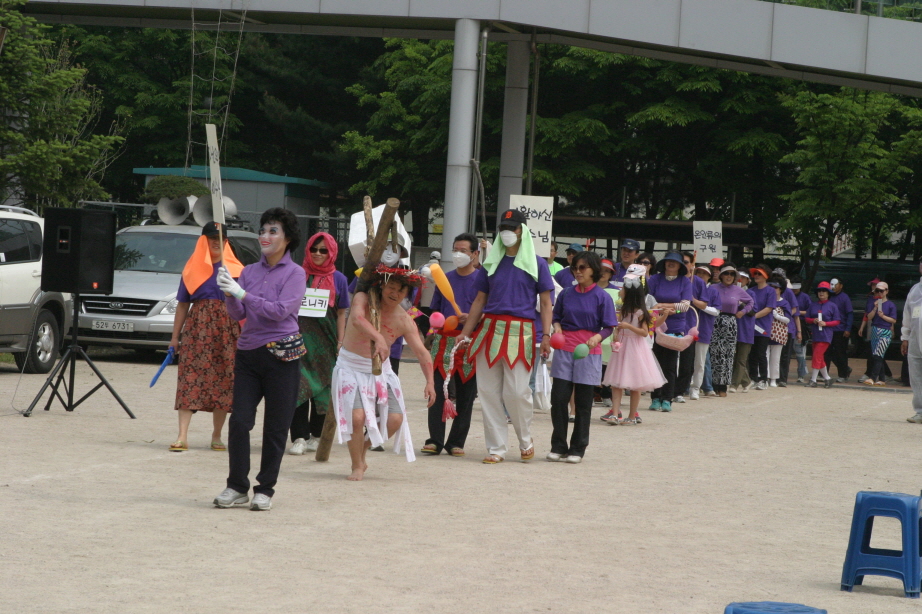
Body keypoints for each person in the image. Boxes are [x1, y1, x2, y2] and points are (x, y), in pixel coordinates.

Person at [213, 208, 307, 511]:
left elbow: (280, 311)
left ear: (287, 238)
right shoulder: (249, 271)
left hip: (282, 355)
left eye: (273, 231)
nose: (265, 236)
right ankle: (236, 486)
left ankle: (265, 488)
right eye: (263, 230)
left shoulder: (296, 273)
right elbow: (238, 314)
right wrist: (229, 293)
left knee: (276, 427)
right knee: (239, 421)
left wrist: (242, 294)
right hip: (249, 354)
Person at [459, 209, 553, 464]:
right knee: (488, 392)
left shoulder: (537, 263)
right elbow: (479, 300)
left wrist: (546, 335)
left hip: (521, 332)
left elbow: (546, 303)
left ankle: (525, 439)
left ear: (523, 231)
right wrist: (465, 334)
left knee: (518, 392)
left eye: (512, 228)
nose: (507, 232)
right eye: (503, 228)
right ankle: (496, 448)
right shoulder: (491, 262)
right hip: (489, 329)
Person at [332, 266, 435, 480]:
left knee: (395, 419)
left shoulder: (404, 319)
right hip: (351, 366)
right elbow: (357, 319)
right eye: (391, 287)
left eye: (400, 291)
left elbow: (422, 352)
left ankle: (363, 448)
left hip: (381, 371)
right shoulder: (363, 298)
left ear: (406, 294)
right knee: (357, 417)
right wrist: (378, 337)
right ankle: (356, 465)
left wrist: (430, 382)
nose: (394, 293)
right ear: (382, 285)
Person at [168, 222, 244, 452]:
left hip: (228, 331)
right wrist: (175, 337)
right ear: (203, 241)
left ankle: (217, 435)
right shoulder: (191, 269)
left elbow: (246, 305)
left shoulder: (238, 270)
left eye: (221, 238)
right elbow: (183, 304)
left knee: (224, 379)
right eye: (212, 238)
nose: (216, 242)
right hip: (197, 330)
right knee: (189, 378)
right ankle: (182, 436)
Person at [547, 251, 617, 463]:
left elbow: (609, 326)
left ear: (593, 270)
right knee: (558, 399)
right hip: (564, 349)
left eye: (582, 268)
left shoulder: (602, 297)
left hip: (588, 351)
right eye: (575, 268)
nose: (578, 272)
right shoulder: (566, 294)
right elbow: (556, 317)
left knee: (583, 403)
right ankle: (558, 446)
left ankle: (578, 448)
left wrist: (597, 337)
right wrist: (557, 327)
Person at [287, 232, 349, 456]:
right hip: (298, 341)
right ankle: (299, 437)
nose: (318, 253)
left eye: (323, 250)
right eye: (314, 249)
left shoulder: (339, 279)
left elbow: (341, 313)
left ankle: (316, 435)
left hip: (326, 344)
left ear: (331, 252)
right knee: (298, 388)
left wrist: (341, 341)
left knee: (323, 389)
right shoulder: (297, 275)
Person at [422, 233, 481, 456]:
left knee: (466, 394)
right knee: (437, 389)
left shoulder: (483, 280)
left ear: (475, 254)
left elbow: (488, 310)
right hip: (444, 341)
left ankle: (456, 442)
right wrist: (435, 327)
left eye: (463, 251)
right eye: (455, 250)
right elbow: (435, 311)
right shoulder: (444, 279)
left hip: (469, 341)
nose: (458, 254)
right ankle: (435, 440)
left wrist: (473, 318)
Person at [603, 274, 666, 424]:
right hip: (622, 347)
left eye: (623, 289)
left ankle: (632, 416)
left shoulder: (640, 313)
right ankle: (615, 413)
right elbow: (619, 326)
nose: (620, 291)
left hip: (635, 348)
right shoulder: (623, 310)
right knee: (616, 382)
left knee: (635, 384)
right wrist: (616, 334)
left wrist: (628, 326)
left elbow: (644, 332)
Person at [646, 252, 693, 412]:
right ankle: (655, 397)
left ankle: (667, 399)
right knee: (655, 363)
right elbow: (648, 301)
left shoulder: (685, 281)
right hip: (655, 325)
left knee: (670, 365)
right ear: (664, 263)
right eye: (668, 261)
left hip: (675, 327)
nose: (671, 264)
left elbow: (685, 306)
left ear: (680, 265)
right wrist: (665, 308)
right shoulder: (655, 279)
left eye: (675, 262)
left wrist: (664, 307)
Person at [710, 263, 753, 397]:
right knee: (714, 354)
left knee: (728, 355)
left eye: (732, 274)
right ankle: (713, 384)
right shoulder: (713, 288)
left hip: (730, 323)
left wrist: (743, 311)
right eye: (726, 273)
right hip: (715, 321)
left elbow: (751, 302)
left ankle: (723, 386)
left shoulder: (738, 290)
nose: (729, 276)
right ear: (721, 275)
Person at [688, 263, 720, 400]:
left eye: (704, 273)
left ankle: (696, 388)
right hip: (688, 327)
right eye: (699, 272)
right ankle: (684, 386)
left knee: (700, 362)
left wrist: (699, 304)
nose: (701, 275)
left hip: (704, 329)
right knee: (685, 360)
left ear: (709, 276)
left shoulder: (713, 291)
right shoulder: (689, 285)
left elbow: (716, 311)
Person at [674, 252, 704, 402]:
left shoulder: (698, 282)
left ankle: (679, 391)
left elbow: (704, 304)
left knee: (687, 363)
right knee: (671, 362)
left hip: (690, 326)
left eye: (686, 262)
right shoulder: (673, 280)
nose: (683, 265)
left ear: (692, 264)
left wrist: (691, 300)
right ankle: (667, 390)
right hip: (673, 325)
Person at [804, 281, 841, 388]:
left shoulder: (832, 306)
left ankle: (813, 380)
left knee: (817, 356)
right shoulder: (813, 305)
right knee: (819, 357)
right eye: (819, 291)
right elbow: (807, 318)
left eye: (824, 291)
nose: (821, 293)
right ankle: (827, 379)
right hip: (815, 334)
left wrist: (826, 323)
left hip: (826, 335)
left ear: (828, 293)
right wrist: (813, 320)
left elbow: (837, 321)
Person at [861, 281, 897, 386]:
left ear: (887, 291)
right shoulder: (875, 303)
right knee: (878, 355)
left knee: (877, 355)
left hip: (885, 331)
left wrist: (883, 316)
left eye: (882, 291)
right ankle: (882, 379)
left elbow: (893, 320)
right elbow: (869, 317)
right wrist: (875, 308)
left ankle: (872, 377)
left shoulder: (890, 304)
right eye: (877, 291)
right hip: (875, 330)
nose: (879, 293)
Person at [746, 265, 775, 390]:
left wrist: (754, 316)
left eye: (759, 274)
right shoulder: (751, 290)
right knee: (751, 354)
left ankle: (763, 379)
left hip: (763, 326)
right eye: (755, 273)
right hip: (750, 326)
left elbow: (769, 308)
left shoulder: (770, 291)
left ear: (766, 276)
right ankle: (753, 378)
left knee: (761, 353)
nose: (756, 276)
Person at [774, 267, 800, 387]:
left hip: (787, 327)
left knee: (785, 355)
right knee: (773, 354)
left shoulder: (788, 292)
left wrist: (784, 316)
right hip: (773, 327)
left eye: (779, 277)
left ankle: (782, 378)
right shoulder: (770, 291)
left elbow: (795, 309)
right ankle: (772, 377)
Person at [902, 260, 922, 422]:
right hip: (915, 338)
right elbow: (907, 315)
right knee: (916, 376)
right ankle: (920, 411)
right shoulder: (915, 290)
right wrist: (905, 338)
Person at [766, 274, 792, 387]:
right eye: (771, 287)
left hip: (779, 333)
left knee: (775, 358)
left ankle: (773, 379)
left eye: (776, 287)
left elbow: (788, 319)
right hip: (765, 332)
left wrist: (776, 316)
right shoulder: (766, 301)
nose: (773, 289)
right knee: (764, 357)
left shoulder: (784, 303)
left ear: (781, 289)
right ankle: (764, 378)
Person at [731, 270, 755, 393]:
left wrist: (741, 304)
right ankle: (746, 381)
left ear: (748, 280)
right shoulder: (732, 291)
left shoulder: (751, 293)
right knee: (734, 358)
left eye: (743, 278)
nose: (740, 280)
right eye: (738, 278)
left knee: (741, 359)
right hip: (733, 329)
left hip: (746, 331)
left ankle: (734, 384)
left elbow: (753, 311)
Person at [828, 277, 854, 381]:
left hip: (840, 329)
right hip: (829, 329)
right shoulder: (828, 296)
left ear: (841, 286)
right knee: (828, 352)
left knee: (840, 352)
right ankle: (824, 374)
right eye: (831, 284)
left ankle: (843, 375)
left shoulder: (844, 298)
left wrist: (848, 329)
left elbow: (850, 314)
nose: (833, 287)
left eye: (835, 284)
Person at [791, 276, 811, 383]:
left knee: (800, 352)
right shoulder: (788, 295)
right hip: (789, 324)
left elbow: (810, 311)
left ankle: (801, 375)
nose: (795, 290)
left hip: (801, 325)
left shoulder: (805, 297)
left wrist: (797, 312)